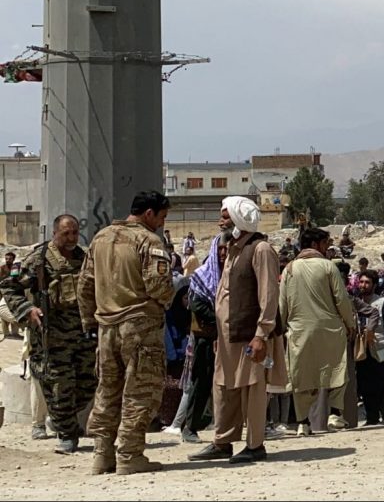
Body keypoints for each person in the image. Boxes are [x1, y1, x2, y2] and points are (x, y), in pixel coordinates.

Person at [78, 191, 176, 474]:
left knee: (107, 390)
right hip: (140, 327)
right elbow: (158, 285)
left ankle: (102, 455)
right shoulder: (148, 240)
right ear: (149, 214)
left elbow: (85, 285)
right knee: (139, 392)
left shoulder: (100, 238)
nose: (162, 223)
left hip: (106, 328)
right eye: (161, 217)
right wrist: (166, 300)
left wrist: (90, 322)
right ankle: (130, 455)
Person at [189, 196, 286, 466]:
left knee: (253, 390)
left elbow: (268, 295)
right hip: (227, 337)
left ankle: (255, 445)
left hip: (250, 335)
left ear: (239, 219)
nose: (220, 222)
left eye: (225, 216)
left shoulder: (260, 249)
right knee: (224, 388)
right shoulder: (232, 249)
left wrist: (261, 335)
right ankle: (222, 442)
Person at [1, 214, 95, 455]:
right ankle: (67, 434)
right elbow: (9, 287)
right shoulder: (39, 259)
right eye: (66, 233)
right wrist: (28, 310)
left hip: (82, 335)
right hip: (52, 336)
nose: (72, 238)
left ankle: (62, 419)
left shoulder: (83, 258)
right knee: (59, 386)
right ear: (55, 233)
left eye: (75, 233)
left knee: (88, 384)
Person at [278, 227, 357, 434]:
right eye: (325, 244)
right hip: (329, 329)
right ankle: (335, 413)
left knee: (301, 377)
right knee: (337, 370)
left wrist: (281, 329)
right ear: (314, 244)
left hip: (299, 331)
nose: (327, 248)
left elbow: (282, 304)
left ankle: (303, 423)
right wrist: (350, 323)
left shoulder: (289, 269)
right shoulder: (328, 266)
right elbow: (341, 299)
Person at [181, 235, 227, 444]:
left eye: (227, 249)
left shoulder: (232, 274)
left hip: (229, 338)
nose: (223, 253)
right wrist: (222, 320)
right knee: (201, 382)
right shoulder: (201, 275)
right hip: (206, 338)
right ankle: (190, 427)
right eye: (220, 249)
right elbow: (197, 305)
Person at [355, 270, 384, 426]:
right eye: (361, 282)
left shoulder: (383, 303)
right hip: (361, 350)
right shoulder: (355, 303)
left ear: (374, 285)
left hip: (380, 348)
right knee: (365, 384)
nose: (363, 285)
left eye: (367, 282)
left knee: (381, 384)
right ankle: (371, 417)